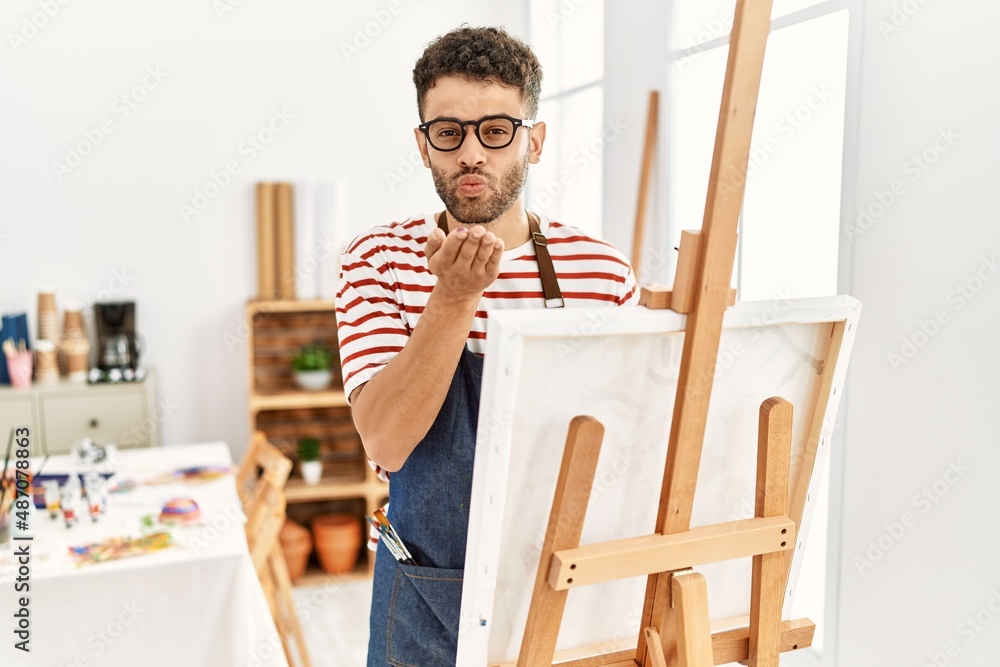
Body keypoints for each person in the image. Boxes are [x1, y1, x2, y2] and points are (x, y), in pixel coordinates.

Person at [335, 25, 639, 666]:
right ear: (423, 147)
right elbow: (386, 440)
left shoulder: (603, 272)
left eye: (496, 130)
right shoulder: (379, 260)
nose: (471, 154)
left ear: (535, 139)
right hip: (429, 590)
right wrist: (451, 299)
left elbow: (635, 451)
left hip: (572, 586)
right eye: (448, 133)